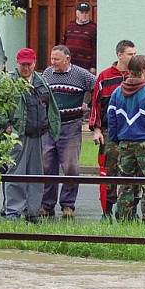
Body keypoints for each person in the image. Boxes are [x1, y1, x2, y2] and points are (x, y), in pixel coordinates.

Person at [0, 48, 61, 223]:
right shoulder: (8, 82)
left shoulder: (41, 81)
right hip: (17, 136)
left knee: (36, 175)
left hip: (38, 135)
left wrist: (53, 129)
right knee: (15, 174)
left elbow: (51, 107)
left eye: (29, 64)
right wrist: (6, 126)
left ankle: (32, 212)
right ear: (17, 64)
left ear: (34, 63)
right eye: (22, 64)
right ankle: (13, 213)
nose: (25, 68)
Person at [107, 54, 145, 222]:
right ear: (144, 70)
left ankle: (124, 220)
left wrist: (117, 139)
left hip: (124, 144)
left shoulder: (117, 93)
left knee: (125, 184)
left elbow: (111, 119)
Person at [40, 45, 96, 218]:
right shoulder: (48, 74)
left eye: (57, 59)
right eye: (52, 58)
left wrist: (89, 106)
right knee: (47, 166)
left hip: (71, 126)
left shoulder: (81, 75)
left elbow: (98, 88)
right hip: (50, 127)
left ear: (67, 59)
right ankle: (47, 205)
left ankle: (68, 205)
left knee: (70, 167)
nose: (53, 62)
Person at [89, 39, 137, 220]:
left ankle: (128, 211)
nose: (133, 57)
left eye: (135, 54)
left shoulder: (136, 75)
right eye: (130, 54)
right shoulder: (105, 76)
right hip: (110, 133)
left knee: (131, 172)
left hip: (132, 133)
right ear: (119, 55)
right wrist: (97, 129)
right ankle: (107, 211)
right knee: (109, 172)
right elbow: (96, 104)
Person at [63, 2, 98, 75]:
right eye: (82, 12)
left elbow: (96, 48)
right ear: (77, 13)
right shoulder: (70, 26)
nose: (84, 15)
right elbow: (63, 44)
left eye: (86, 12)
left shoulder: (93, 28)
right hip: (70, 65)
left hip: (86, 67)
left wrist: (93, 66)